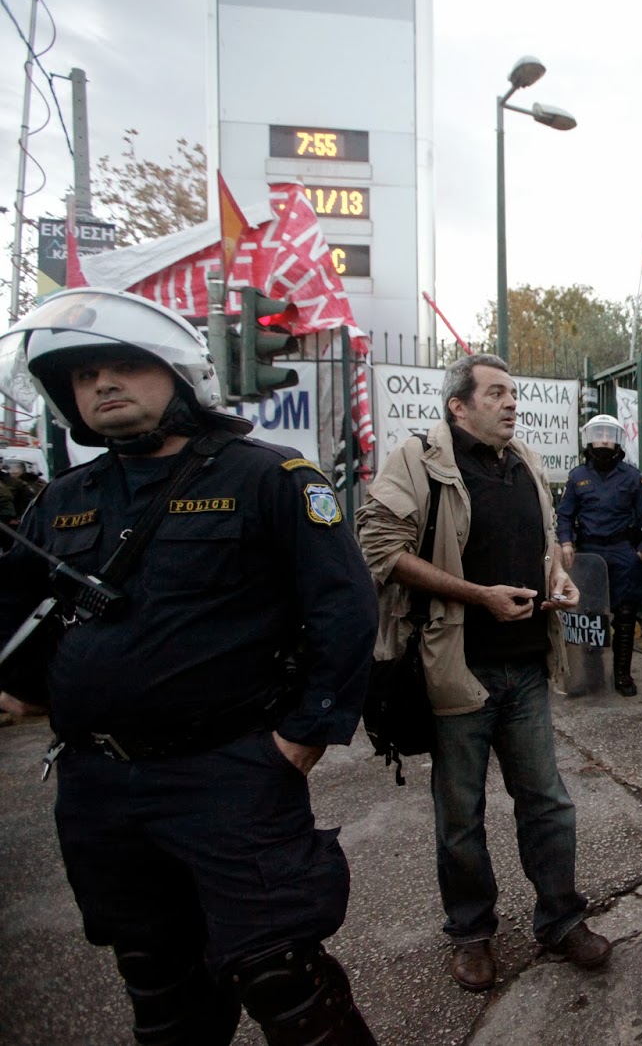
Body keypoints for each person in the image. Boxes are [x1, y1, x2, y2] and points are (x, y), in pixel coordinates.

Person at [0, 289, 379, 1045]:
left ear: (177, 373)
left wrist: (303, 735)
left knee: (283, 981)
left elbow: (343, 608)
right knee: (160, 986)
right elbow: (20, 618)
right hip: (100, 787)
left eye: (124, 367)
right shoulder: (62, 501)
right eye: (83, 377)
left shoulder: (268, 478)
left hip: (228, 776)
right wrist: (30, 691)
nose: (102, 385)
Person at [356, 353, 611, 993]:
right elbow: (379, 550)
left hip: (525, 669)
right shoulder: (417, 461)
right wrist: (478, 597)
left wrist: (557, 575)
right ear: (458, 405)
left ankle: (561, 919)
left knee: (548, 803)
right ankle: (471, 934)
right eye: (496, 393)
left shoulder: (524, 460)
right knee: (461, 817)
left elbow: (546, 537)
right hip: (454, 673)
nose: (511, 403)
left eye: (514, 394)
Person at [557, 413, 642, 696]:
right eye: (598, 435)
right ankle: (594, 675)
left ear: (617, 441)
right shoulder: (578, 477)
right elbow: (564, 516)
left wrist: (641, 554)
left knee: (625, 616)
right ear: (589, 439)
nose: (603, 440)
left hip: (623, 553)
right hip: (589, 554)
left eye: (608, 435)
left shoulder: (632, 476)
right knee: (591, 616)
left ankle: (622, 675)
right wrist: (566, 543)